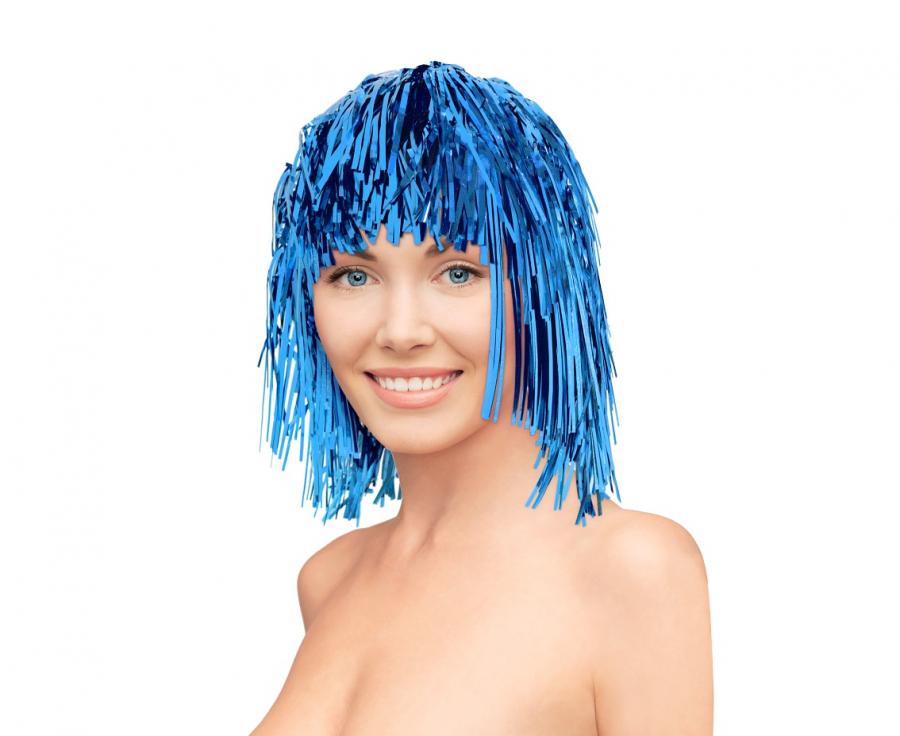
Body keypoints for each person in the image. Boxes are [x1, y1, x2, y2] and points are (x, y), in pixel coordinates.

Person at [251, 61, 713, 735]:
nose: (400, 331)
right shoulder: (330, 579)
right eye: (353, 275)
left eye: (458, 272)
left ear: (547, 286)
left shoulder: (633, 571)